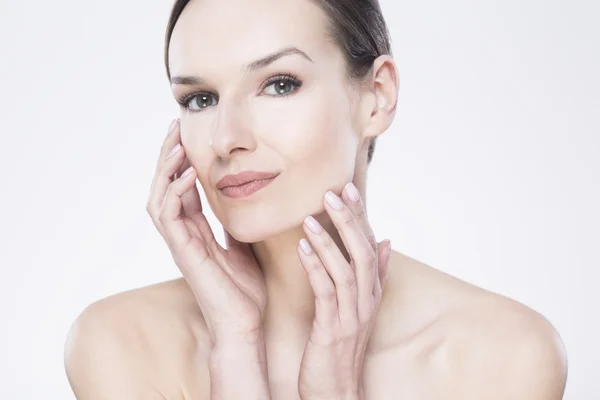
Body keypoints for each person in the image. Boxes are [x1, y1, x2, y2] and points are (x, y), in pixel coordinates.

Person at [63, 0, 568, 398]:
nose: (225, 138)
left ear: (376, 97)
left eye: (279, 85)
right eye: (201, 99)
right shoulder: (120, 342)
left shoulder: (505, 356)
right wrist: (236, 351)